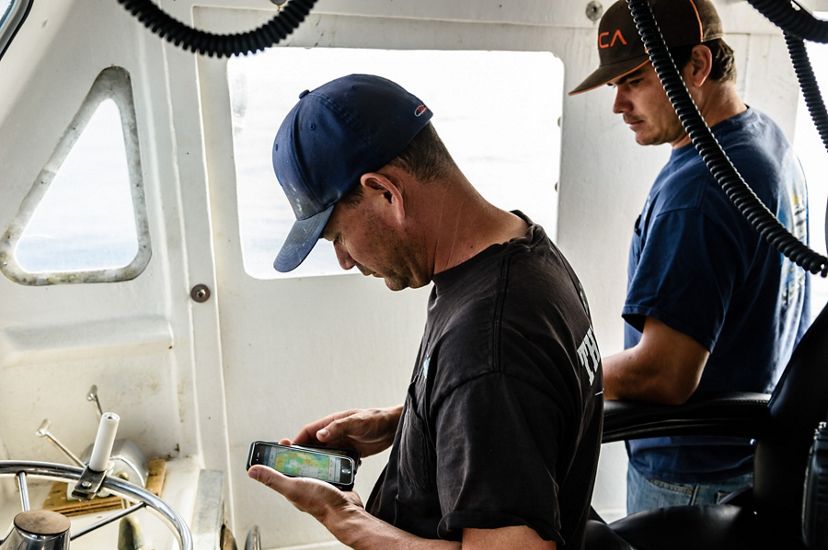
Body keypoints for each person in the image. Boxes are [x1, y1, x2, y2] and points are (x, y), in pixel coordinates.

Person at [246, 73, 604, 549]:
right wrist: (404, 422)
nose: (345, 259)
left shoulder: (487, 342)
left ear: (385, 193)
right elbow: (513, 413)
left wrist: (346, 519)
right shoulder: (524, 250)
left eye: (336, 237)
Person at [569, 0, 810, 514]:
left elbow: (666, 374)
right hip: (751, 459)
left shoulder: (698, 194)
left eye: (633, 81)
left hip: (692, 479)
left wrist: (562, 371)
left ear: (697, 67)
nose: (618, 105)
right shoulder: (764, 137)